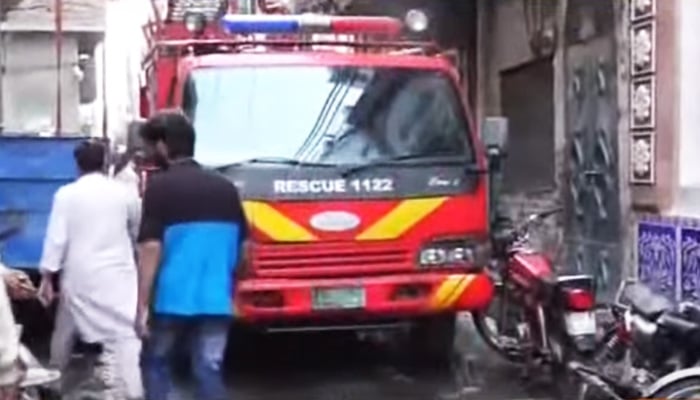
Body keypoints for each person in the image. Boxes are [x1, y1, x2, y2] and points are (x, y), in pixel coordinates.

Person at [136, 110, 247, 400]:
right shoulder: (227, 188)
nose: (149, 152)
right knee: (209, 367)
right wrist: (229, 287)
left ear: (162, 145)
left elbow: (150, 247)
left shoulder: (159, 187)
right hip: (216, 299)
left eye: (150, 146)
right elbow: (244, 249)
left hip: (171, 300)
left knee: (158, 362)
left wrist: (142, 304)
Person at [37, 139, 143, 399]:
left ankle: (54, 380)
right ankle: (129, 387)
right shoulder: (124, 194)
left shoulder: (66, 195)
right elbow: (137, 233)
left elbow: (56, 238)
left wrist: (47, 277)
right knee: (122, 333)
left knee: (65, 329)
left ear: (77, 165)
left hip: (80, 276)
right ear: (105, 162)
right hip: (118, 276)